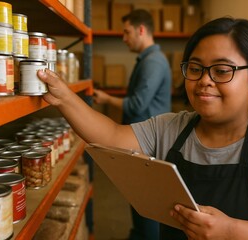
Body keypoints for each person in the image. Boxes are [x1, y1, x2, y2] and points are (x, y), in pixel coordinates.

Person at [38, 16, 248, 240]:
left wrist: (230, 231)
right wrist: (63, 96)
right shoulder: (171, 128)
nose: (204, 81)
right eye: (196, 68)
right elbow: (112, 135)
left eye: (222, 71)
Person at [93, 9, 171, 240]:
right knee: (139, 201)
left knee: (147, 203)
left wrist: (106, 99)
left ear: (141, 30)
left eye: (127, 32)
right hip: (142, 140)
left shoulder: (154, 62)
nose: (123, 38)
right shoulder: (147, 60)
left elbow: (137, 105)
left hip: (149, 144)